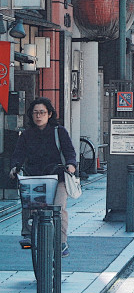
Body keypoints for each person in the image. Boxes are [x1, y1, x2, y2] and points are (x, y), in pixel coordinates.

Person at [9, 97, 77, 257]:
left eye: (42, 112)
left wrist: (71, 165)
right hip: (34, 177)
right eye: (35, 113)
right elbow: (18, 153)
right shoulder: (26, 135)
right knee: (28, 204)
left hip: (58, 177)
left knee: (58, 209)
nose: (38, 116)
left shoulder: (59, 131)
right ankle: (28, 235)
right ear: (31, 115)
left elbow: (69, 152)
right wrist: (14, 167)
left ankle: (61, 242)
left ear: (50, 114)